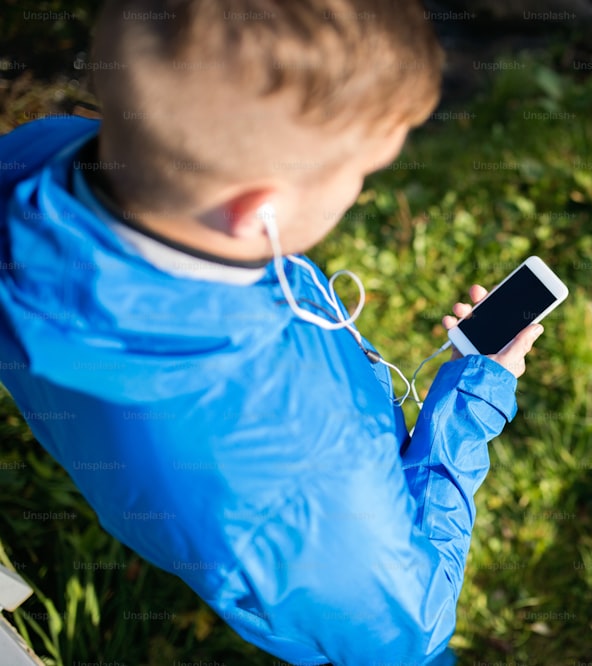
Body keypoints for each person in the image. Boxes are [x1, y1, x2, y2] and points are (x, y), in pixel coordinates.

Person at [0, 1, 544, 664]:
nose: (360, 191)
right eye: (361, 174)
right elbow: (402, 632)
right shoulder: (303, 479)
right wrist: (467, 405)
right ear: (259, 211)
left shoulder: (37, 159)